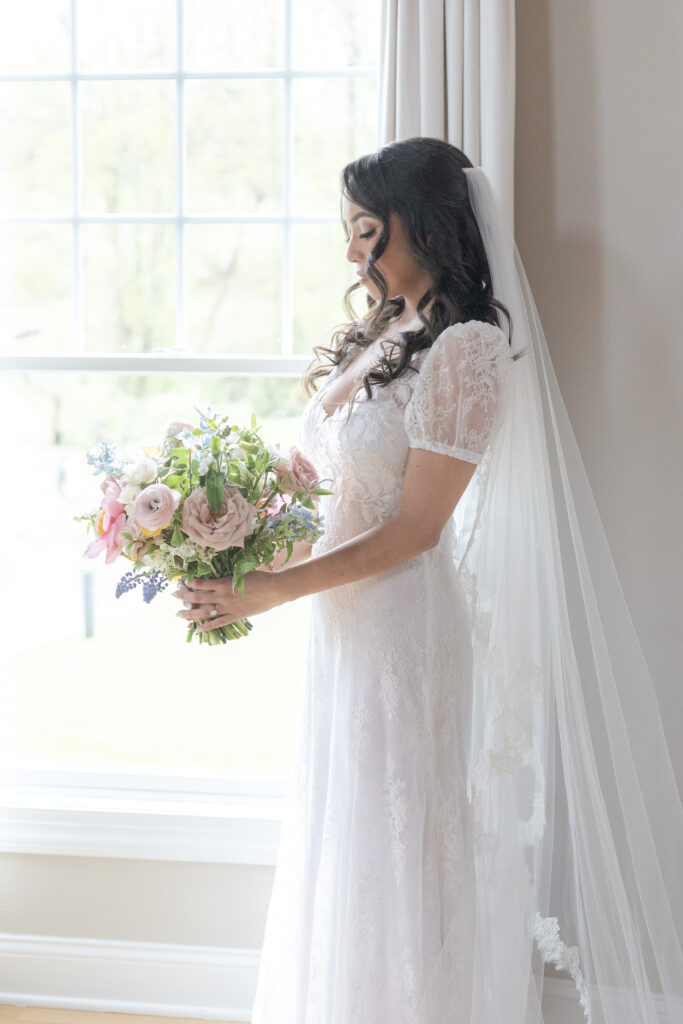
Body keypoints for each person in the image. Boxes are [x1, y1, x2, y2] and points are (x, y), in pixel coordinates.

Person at [173, 139, 683, 1023]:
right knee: (349, 839)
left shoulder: (466, 348)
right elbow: (337, 506)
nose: (349, 252)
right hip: (343, 625)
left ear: (427, 225)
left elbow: (411, 529)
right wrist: (233, 564)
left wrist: (268, 595)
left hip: (404, 627)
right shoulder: (385, 336)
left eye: (365, 229)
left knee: (399, 847)